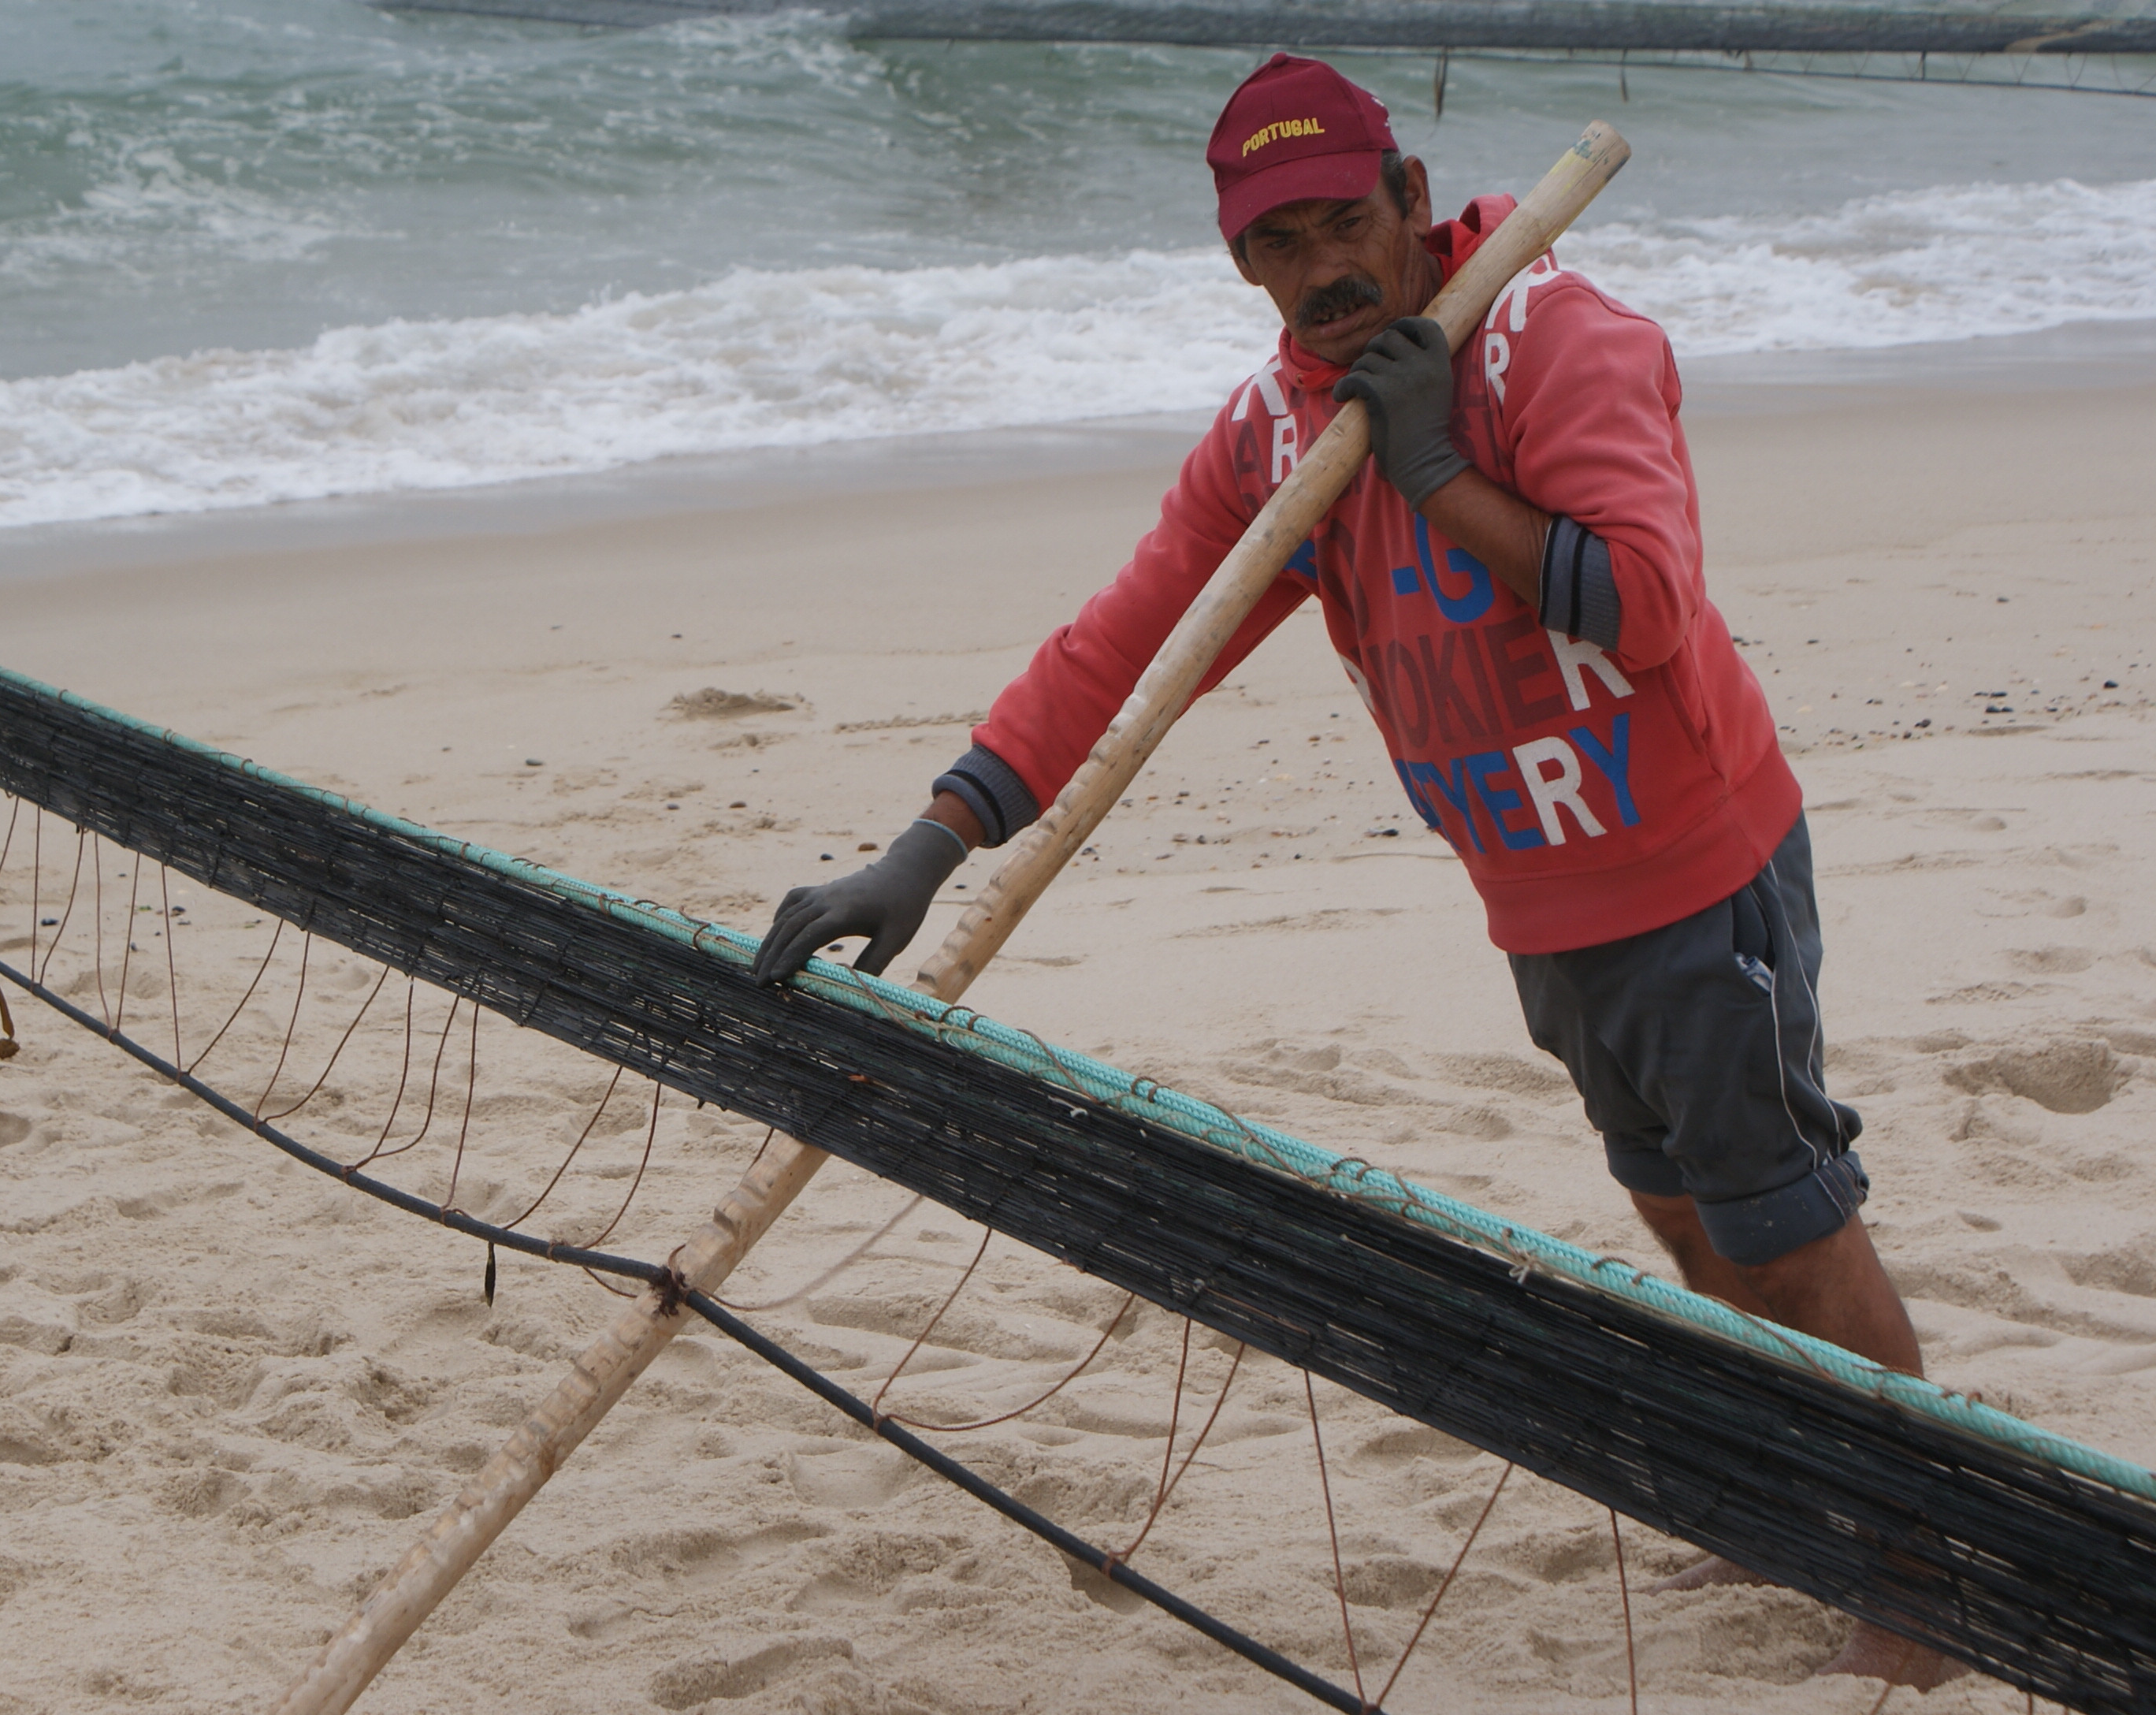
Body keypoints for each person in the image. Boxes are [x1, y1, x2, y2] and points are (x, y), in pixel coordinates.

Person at [750, 53, 1950, 1688]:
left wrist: (1437, 466)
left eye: (1341, 223)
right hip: (1534, 897)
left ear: (1408, 199)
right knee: (1675, 1203)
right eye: (1273, 245)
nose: (1317, 270)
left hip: (1686, 871)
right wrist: (928, 842)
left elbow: (1645, 602)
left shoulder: (1549, 339)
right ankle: (1793, 1483)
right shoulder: (1273, 432)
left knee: (1786, 1215)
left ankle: (1928, 1559)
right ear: (1237, 260)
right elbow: (1128, 643)